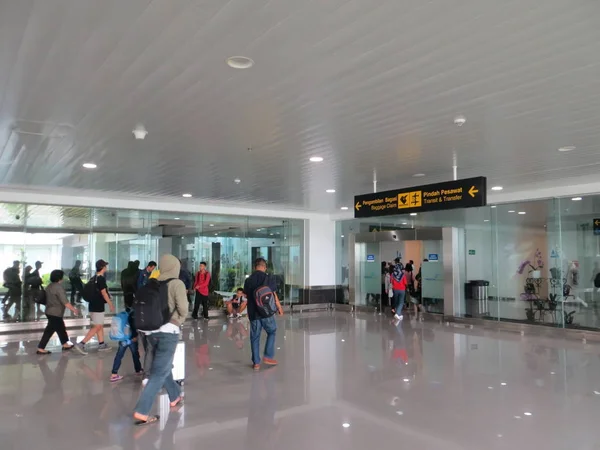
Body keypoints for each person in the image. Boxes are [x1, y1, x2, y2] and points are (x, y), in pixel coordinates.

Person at [132, 254, 188, 426]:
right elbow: (183, 308)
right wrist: (178, 321)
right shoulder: (176, 283)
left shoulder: (152, 281)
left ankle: (175, 396)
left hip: (150, 331)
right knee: (159, 372)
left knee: (164, 367)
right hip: (168, 332)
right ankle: (142, 411)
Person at [244, 258, 283, 371]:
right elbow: (273, 294)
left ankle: (256, 363)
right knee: (272, 331)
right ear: (264, 267)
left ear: (254, 267)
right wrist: (279, 307)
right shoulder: (268, 278)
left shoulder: (249, 280)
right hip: (266, 312)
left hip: (253, 313)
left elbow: (246, 296)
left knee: (255, 337)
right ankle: (268, 356)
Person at [37, 270, 86, 355]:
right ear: (60, 277)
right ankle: (41, 348)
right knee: (50, 330)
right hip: (55, 313)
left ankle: (65, 344)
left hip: (49, 311)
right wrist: (74, 310)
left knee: (60, 329)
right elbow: (65, 301)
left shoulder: (49, 286)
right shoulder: (58, 287)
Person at [76, 260, 115, 353]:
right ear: (103, 267)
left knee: (99, 325)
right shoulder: (101, 278)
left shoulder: (93, 278)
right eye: (105, 265)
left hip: (92, 305)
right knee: (98, 326)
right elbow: (104, 293)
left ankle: (101, 344)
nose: (106, 267)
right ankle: (81, 344)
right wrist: (110, 304)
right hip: (98, 306)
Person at [110, 308, 143, 382]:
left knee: (119, 355)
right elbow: (133, 327)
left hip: (122, 339)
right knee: (135, 354)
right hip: (131, 338)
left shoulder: (122, 313)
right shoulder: (133, 314)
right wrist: (135, 336)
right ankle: (138, 370)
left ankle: (114, 374)